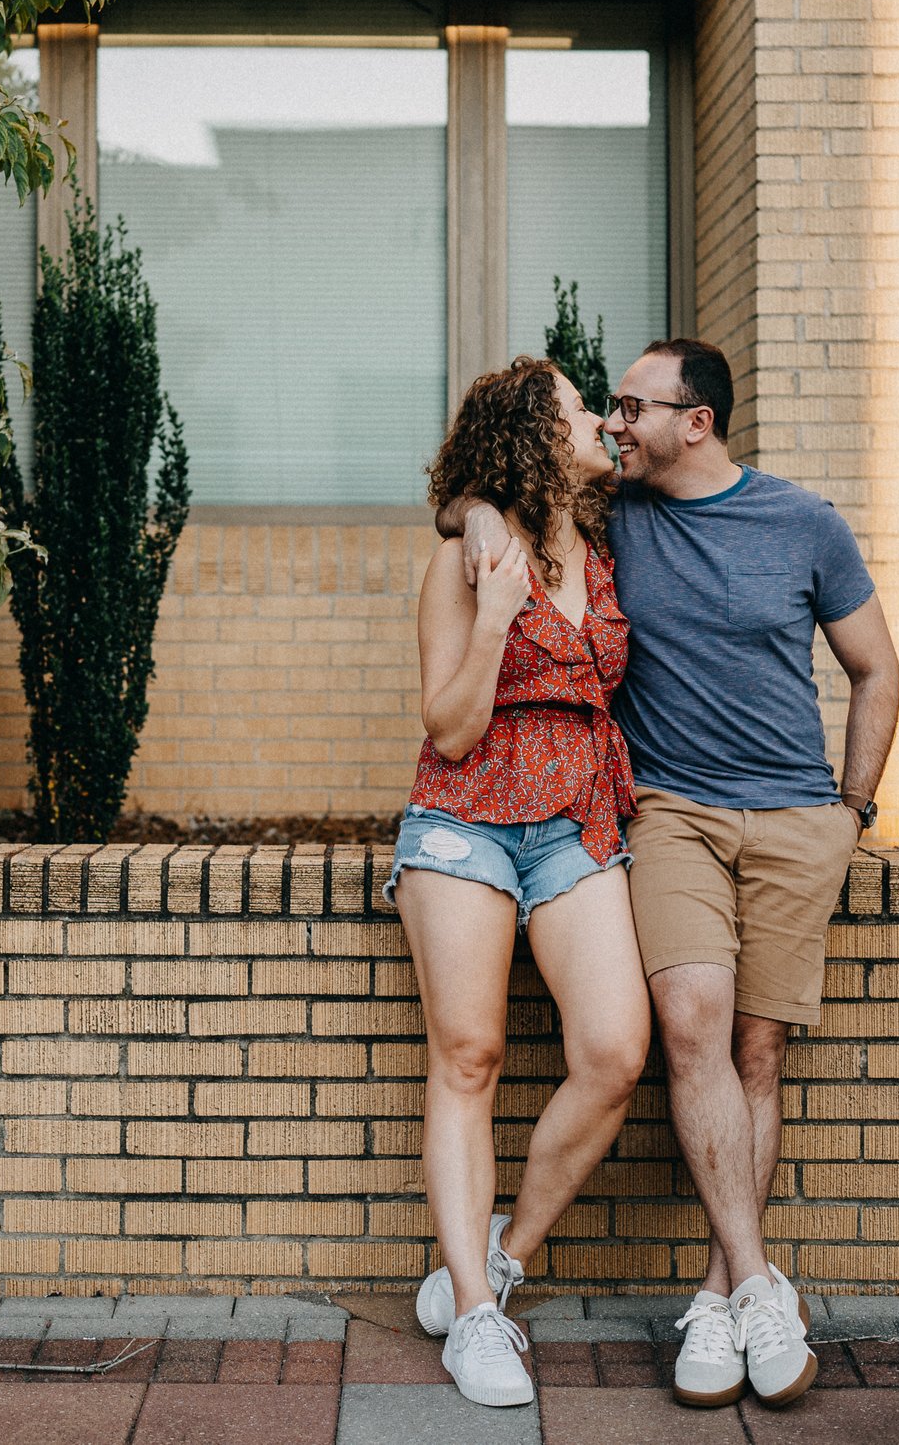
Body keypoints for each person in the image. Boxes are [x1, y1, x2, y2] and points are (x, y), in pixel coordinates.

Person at [447, 337, 899, 1411]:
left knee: (758, 1048)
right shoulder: (616, 515)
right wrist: (466, 511)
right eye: (602, 407)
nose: (613, 422)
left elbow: (875, 666)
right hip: (676, 813)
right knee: (691, 1024)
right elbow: (489, 493)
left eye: (633, 406)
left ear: (695, 420)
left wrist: (852, 811)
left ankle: (716, 1291)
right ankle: (758, 1284)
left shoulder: (804, 522)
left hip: (797, 816)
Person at [391, 357, 653, 1410]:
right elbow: (449, 728)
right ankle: (475, 1317)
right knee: (470, 1053)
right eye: (578, 406)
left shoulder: (600, 540)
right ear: (532, 433)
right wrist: (496, 610)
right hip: (465, 818)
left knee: (614, 1050)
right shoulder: (467, 558)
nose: (597, 416)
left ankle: (498, 1258)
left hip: (577, 815)